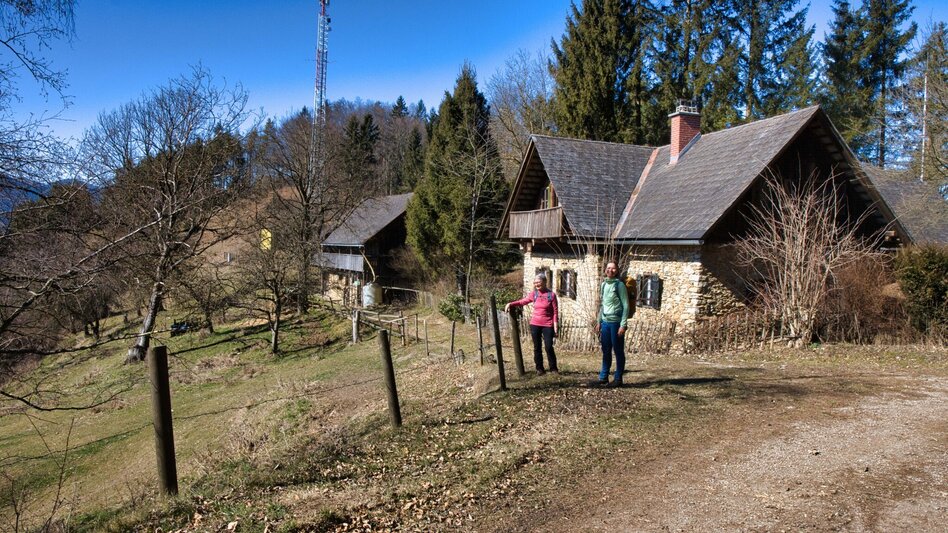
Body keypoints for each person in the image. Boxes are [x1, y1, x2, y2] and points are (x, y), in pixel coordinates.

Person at [505, 273, 559, 376]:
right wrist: (511, 304)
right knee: (537, 347)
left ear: (544, 282)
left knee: (548, 346)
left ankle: (553, 368)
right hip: (535, 324)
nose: (537, 284)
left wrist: (555, 328)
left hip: (548, 324)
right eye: (535, 283)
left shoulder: (551, 295)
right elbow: (523, 302)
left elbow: (555, 313)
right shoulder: (534, 294)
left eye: (539, 282)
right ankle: (539, 368)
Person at [595, 261, 630, 387]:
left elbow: (626, 306)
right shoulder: (604, 284)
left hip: (616, 323)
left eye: (613, 268)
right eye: (608, 268)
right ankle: (603, 377)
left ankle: (618, 378)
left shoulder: (619, 285)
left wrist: (623, 324)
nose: (610, 270)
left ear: (617, 271)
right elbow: (603, 304)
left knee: (618, 351)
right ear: (605, 270)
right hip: (605, 323)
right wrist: (599, 321)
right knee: (606, 350)